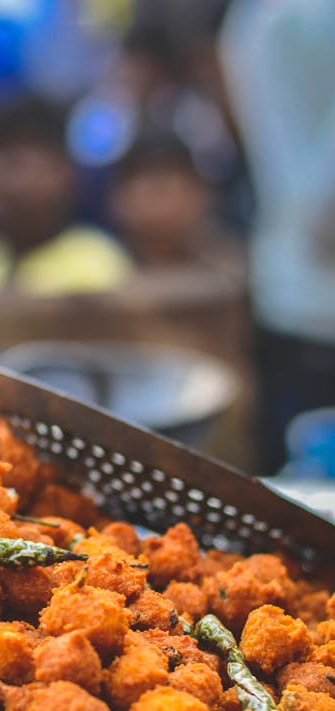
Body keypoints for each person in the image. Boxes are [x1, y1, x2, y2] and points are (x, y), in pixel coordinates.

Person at [220, 0, 335, 474]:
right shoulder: (285, 20)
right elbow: (321, 215)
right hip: (310, 301)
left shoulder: (257, 18)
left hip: (291, 293)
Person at [0, 98, 133, 298]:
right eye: (14, 164)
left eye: (39, 166)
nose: (24, 181)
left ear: (67, 173)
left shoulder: (99, 260)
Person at [108, 124, 239, 271]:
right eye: (151, 190)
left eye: (163, 187)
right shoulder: (104, 266)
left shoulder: (230, 265)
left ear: (198, 193)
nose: (158, 205)